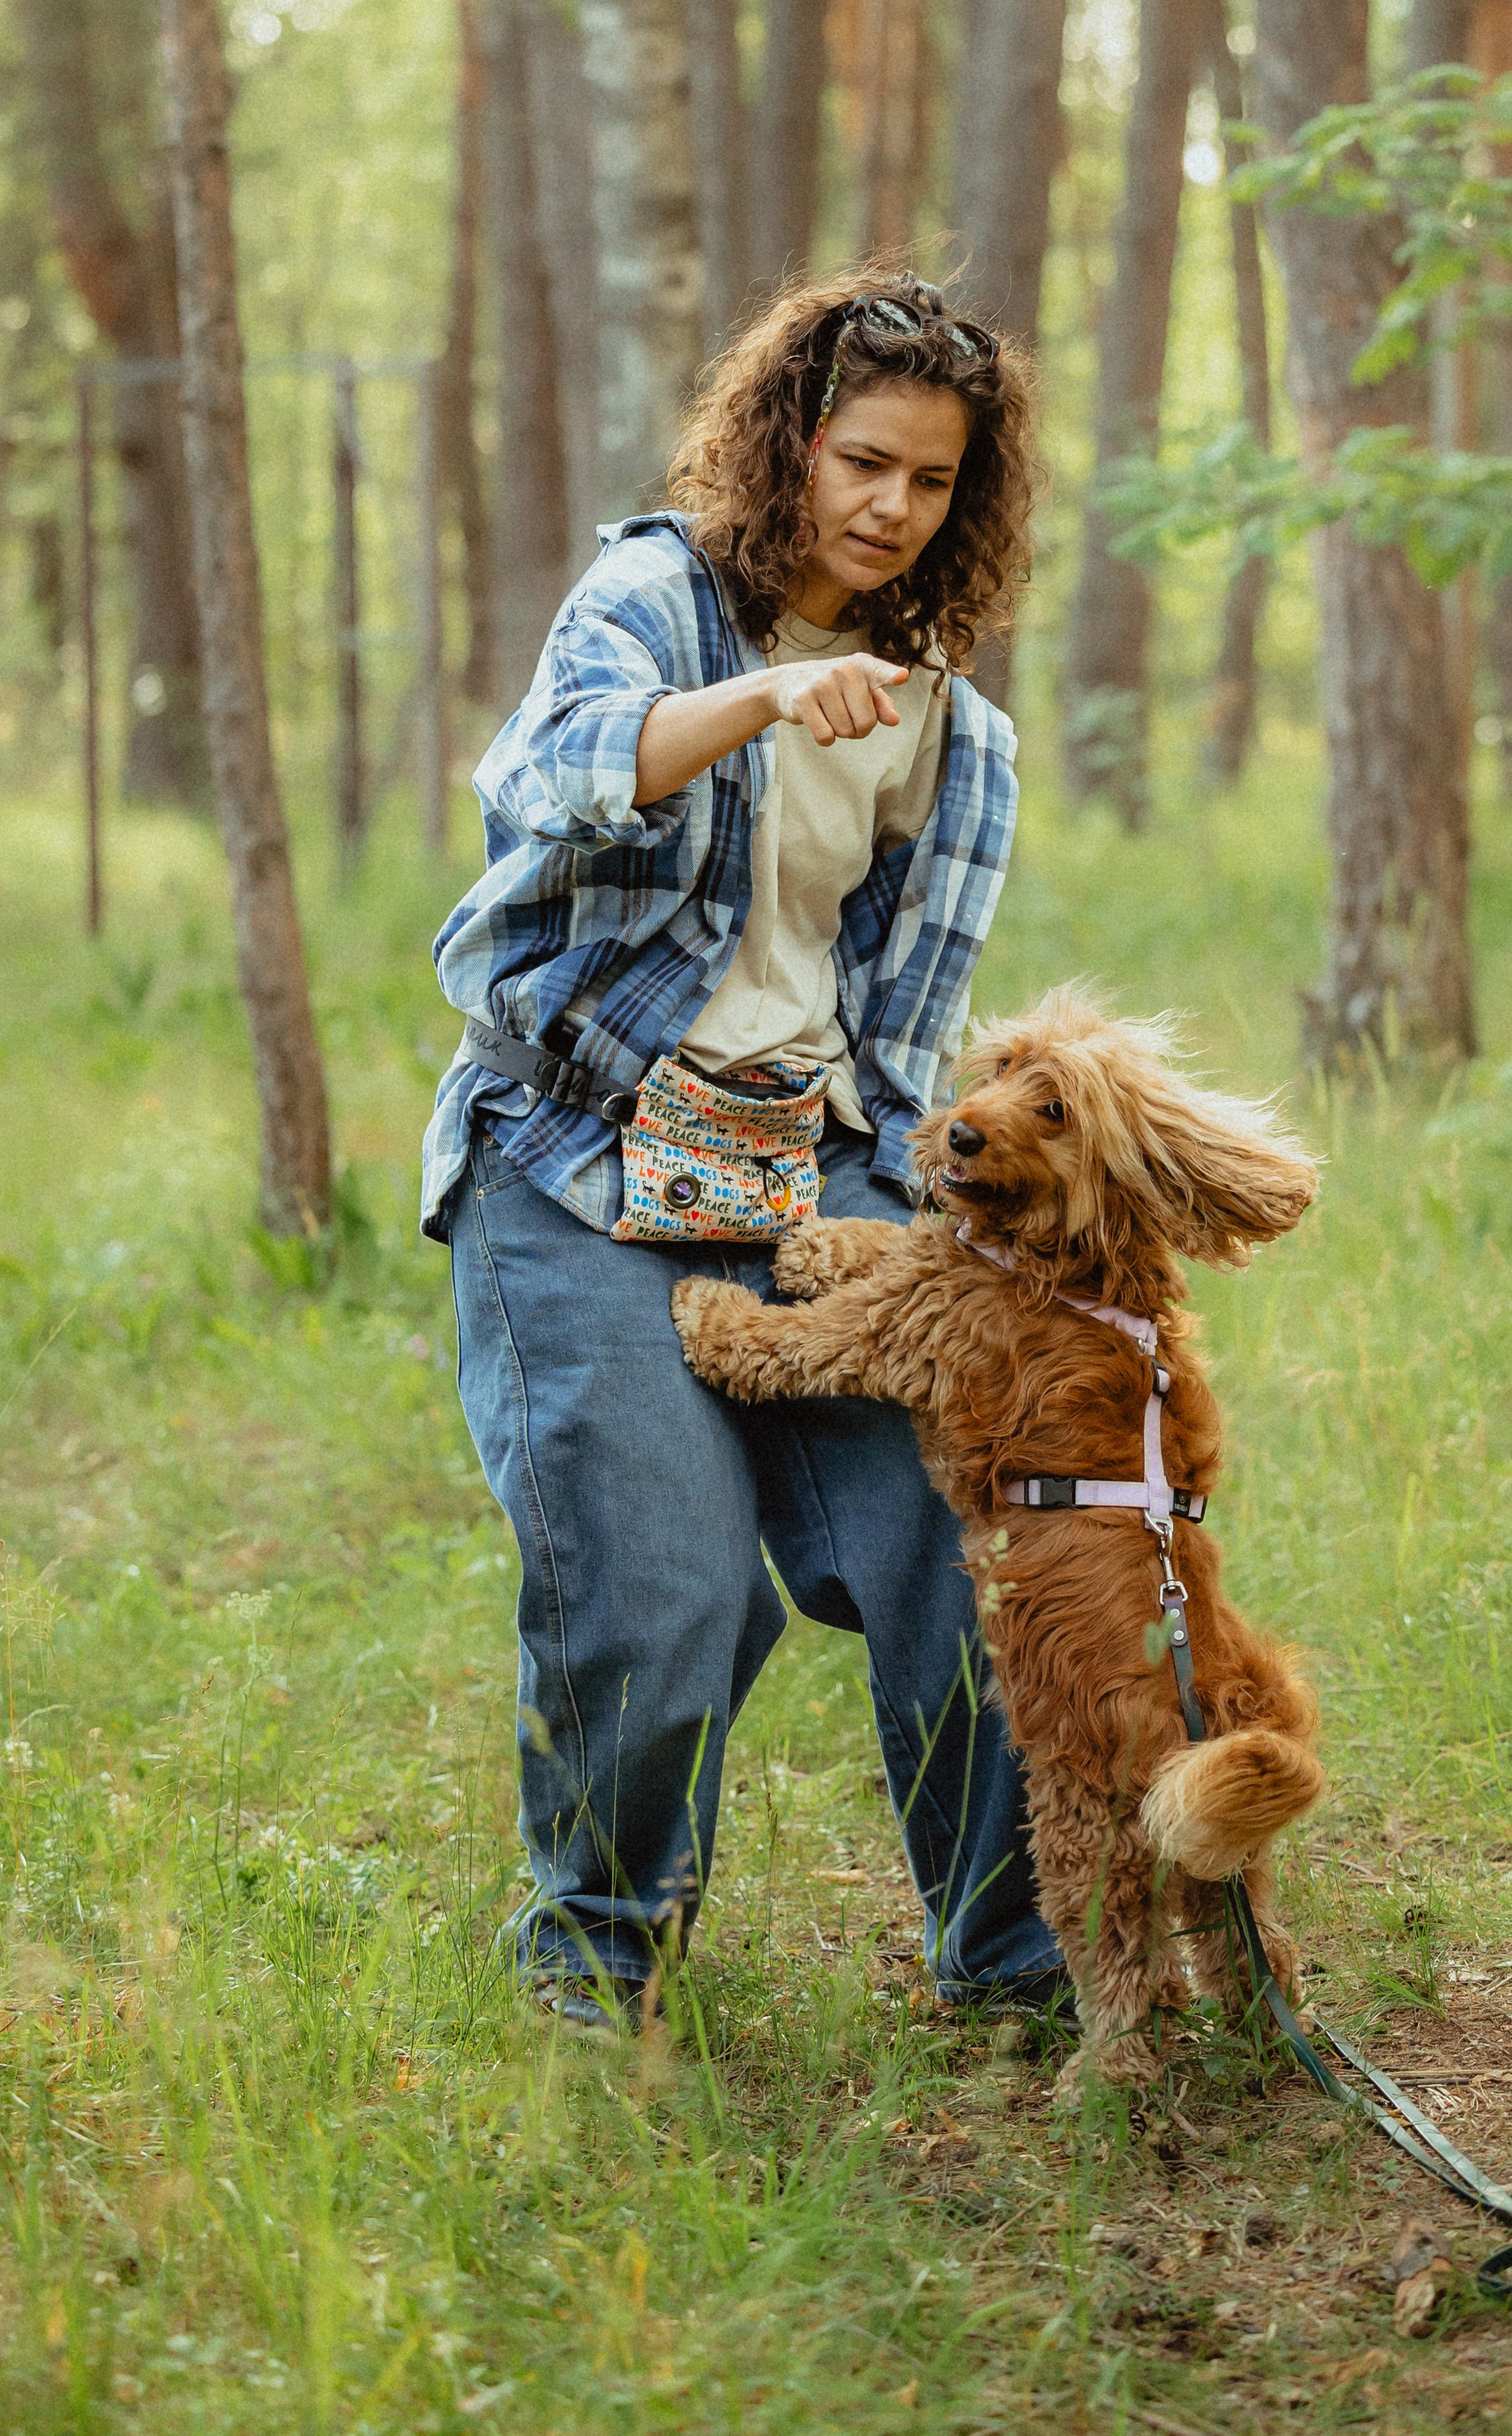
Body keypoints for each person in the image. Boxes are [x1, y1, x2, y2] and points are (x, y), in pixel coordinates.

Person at [422, 271, 1064, 2026]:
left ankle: (1015, 1968)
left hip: (807, 1171)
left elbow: (886, 1021)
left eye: (929, 481)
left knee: (961, 1530)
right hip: (573, 1159)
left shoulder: (950, 726)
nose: (889, 507)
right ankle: (591, 1981)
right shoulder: (651, 597)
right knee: (673, 1588)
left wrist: (945, 1226)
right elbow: (552, 772)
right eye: (863, 459)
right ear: (785, 438)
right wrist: (769, 703)